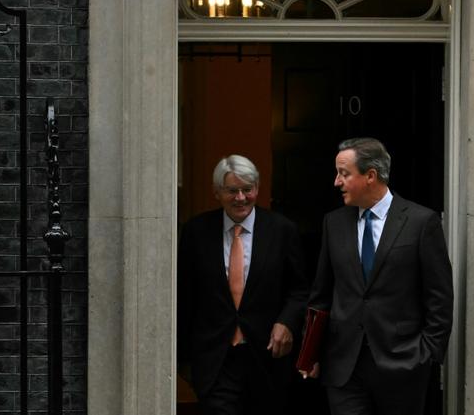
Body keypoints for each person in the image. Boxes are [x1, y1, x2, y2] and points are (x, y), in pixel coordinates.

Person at [305, 137, 453, 415]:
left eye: (344, 173)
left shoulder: (422, 222)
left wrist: (427, 353)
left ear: (370, 176)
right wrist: (310, 351)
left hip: (402, 364)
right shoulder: (333, 223)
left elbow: (440, 297)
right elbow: (321, 293)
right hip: (343, 366)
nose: (337, 182)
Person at [178, 154, 308, 415]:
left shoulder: (282, 230)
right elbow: (184, 294)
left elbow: (300, 289)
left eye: (247, 190)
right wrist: (182, 360)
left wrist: (287, 322)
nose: (241, 198)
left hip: (266, 357)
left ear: (257, 189)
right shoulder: (196, 231)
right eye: (232, 191)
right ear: (217, 192)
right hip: (215, 358)